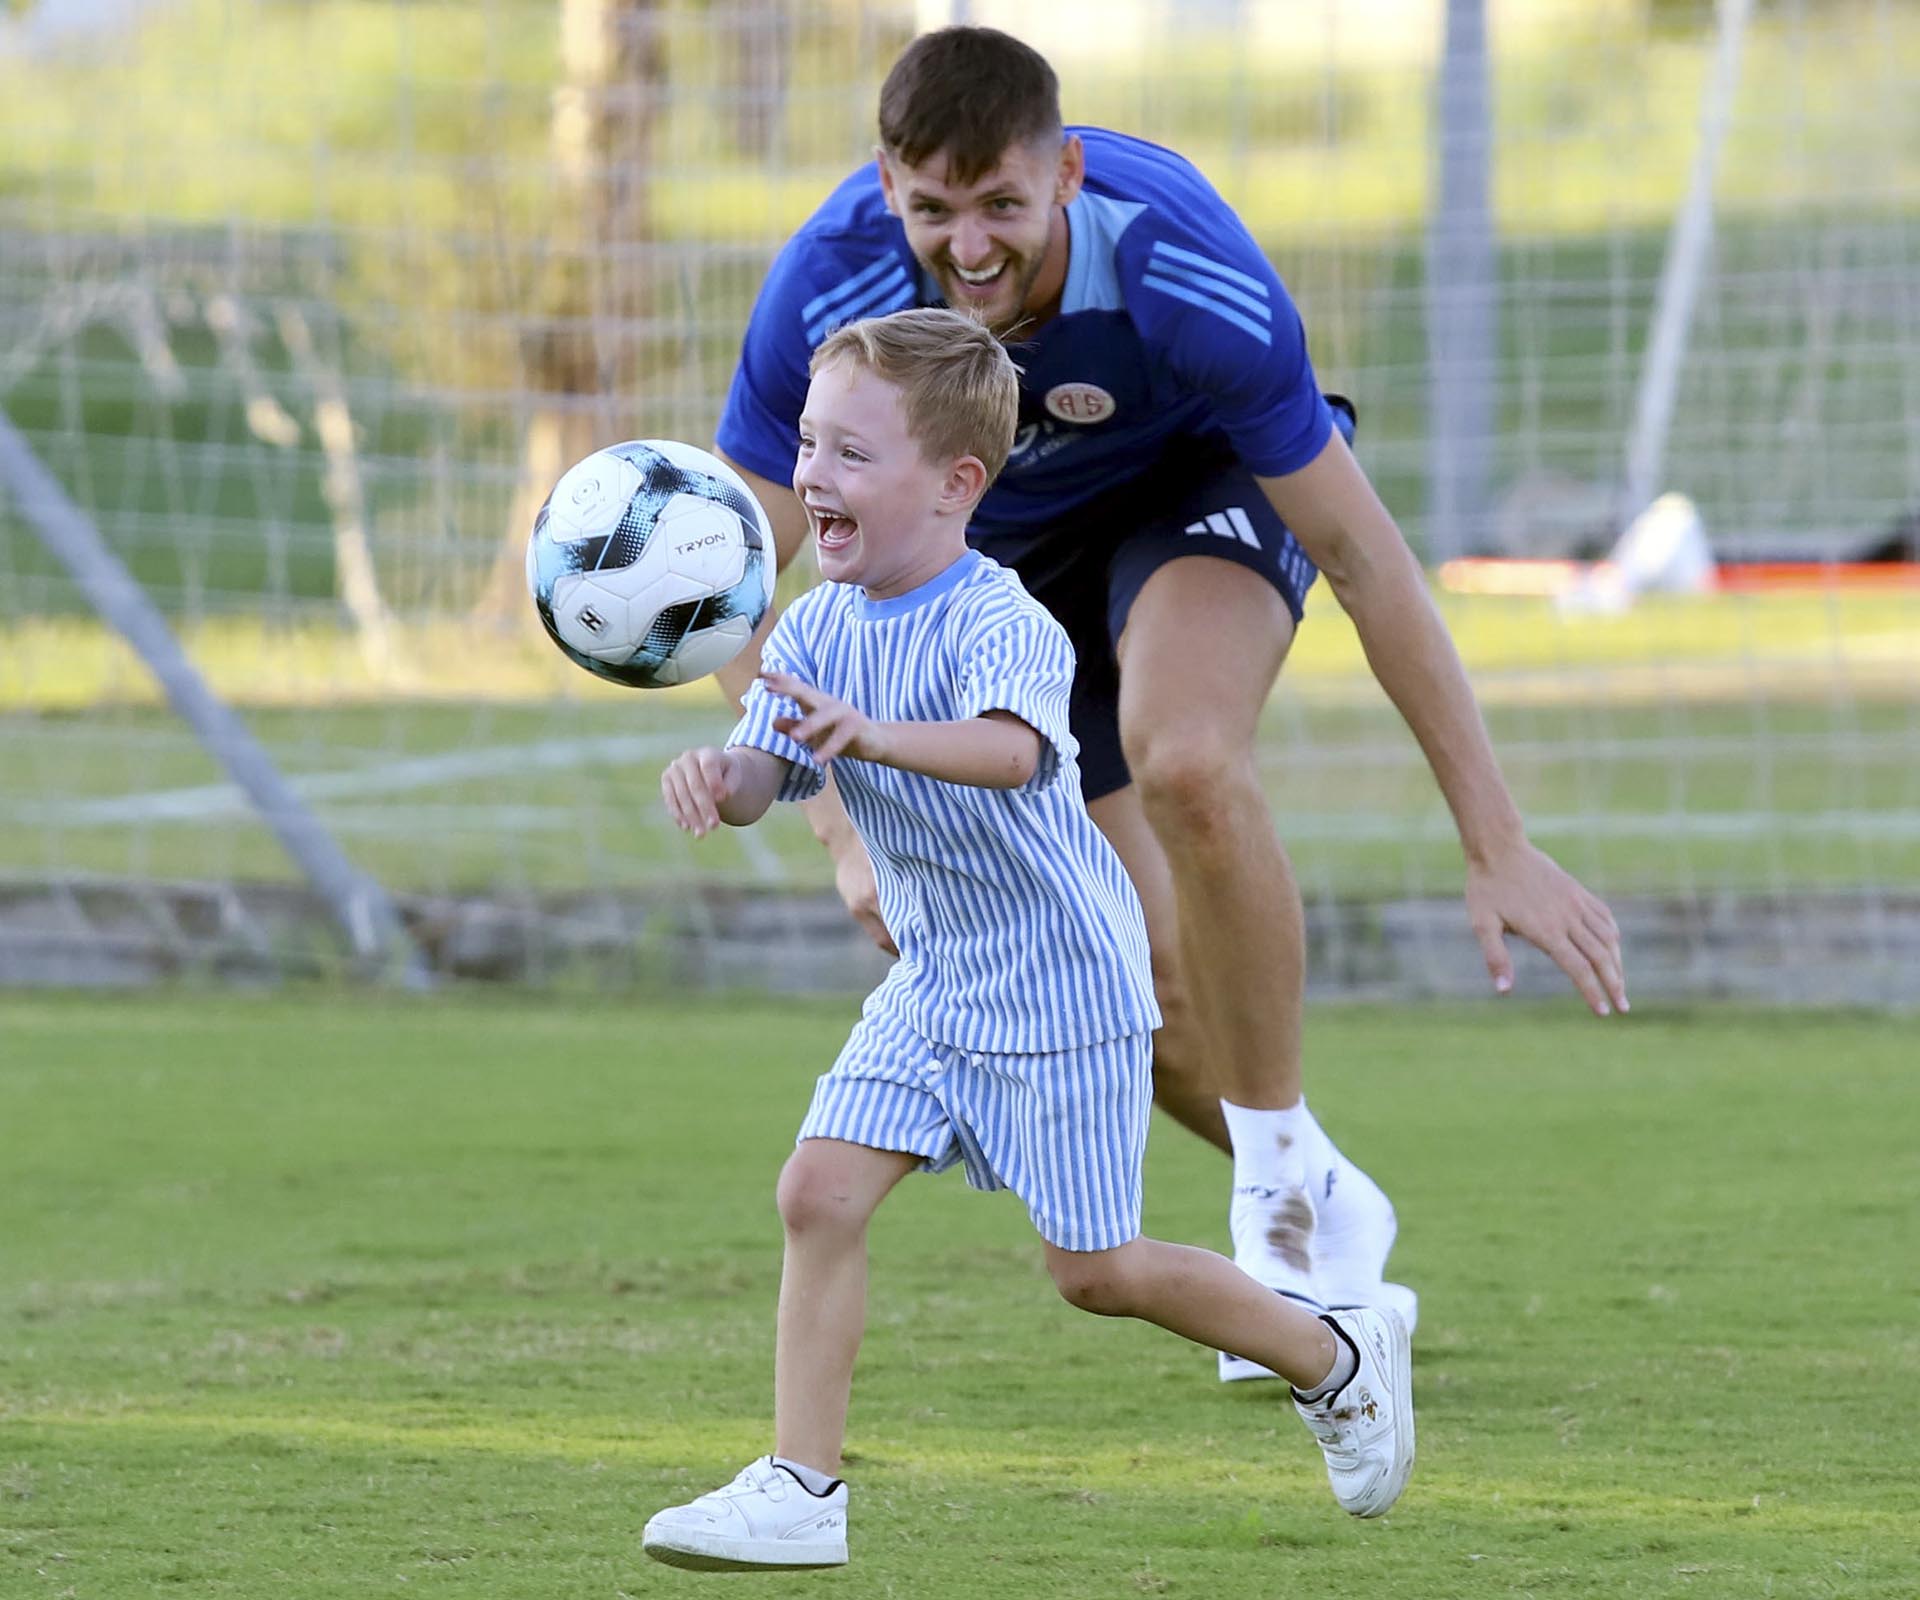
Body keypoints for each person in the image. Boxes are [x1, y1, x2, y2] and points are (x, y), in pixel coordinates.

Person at [710, 27, 1628, 1375]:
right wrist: (840, 822)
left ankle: (1270, 1187)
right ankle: (1318, 1183)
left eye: (1003, 207)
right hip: (1000, 570)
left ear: (1067, 172)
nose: (968, 249)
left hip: (1198, 495)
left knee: (1188, 756)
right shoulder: (829, 290)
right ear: (884, 186)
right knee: (1108, 974)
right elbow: (736, 571)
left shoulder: (1185, 273)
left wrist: (1494, 840)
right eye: (933, 212)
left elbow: (1370, 559)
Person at [643, 308, 1413, 1572]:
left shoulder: (1001, 620)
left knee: (1096, 1272)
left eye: (848, 455)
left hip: (1059, 984)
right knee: (817, 1192)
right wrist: (713, 780)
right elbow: (765, 768)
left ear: (956, 486)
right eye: (806, 445)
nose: (811, 480)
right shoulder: (819, 628)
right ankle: (800, 1489)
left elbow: (1011, 751)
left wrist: (873, 737)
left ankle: (1334, 1354)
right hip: (937, 980)